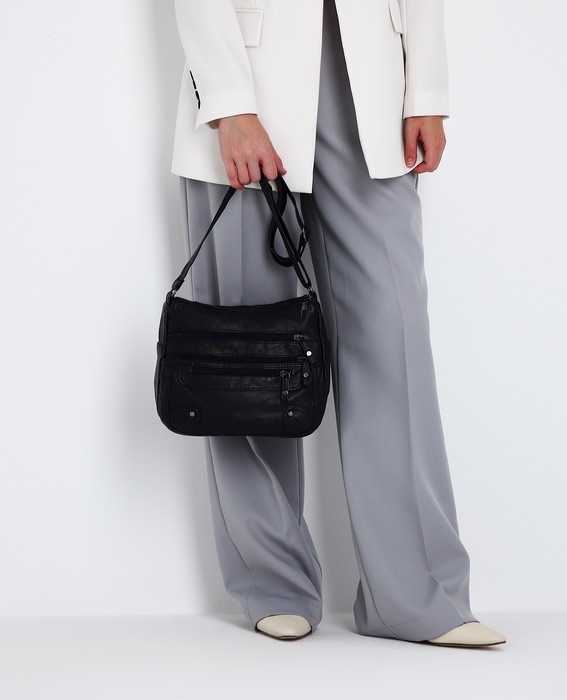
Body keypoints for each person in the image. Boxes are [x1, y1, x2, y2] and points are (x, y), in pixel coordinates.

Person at [171, 0, 506, 647]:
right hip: (250, 71)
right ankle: (273, 583)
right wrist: (228, 102)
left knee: (392, 338)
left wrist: (425, 88)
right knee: (249, 352)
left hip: (372, 78)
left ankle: (416, 594)